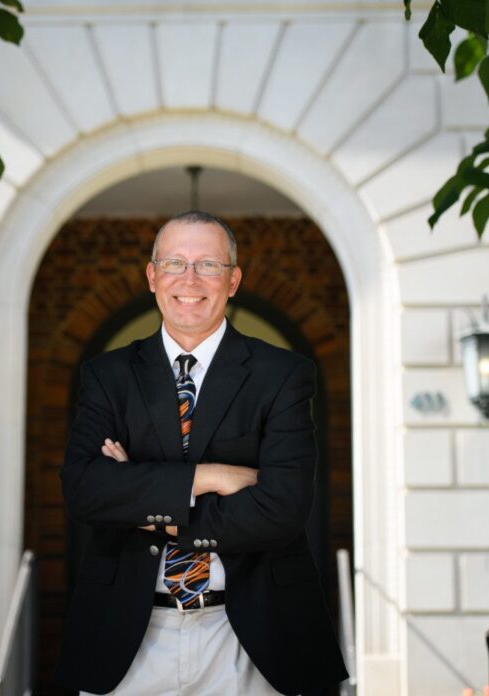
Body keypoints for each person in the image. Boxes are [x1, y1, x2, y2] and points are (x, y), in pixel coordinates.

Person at [56, 210, 348, 695]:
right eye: (174, 263)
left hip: (251, 636)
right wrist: (210, 476)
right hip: (127, 636)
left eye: (208, 265)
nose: (189, 279)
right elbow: (85, 491)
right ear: (152, 276)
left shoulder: (283, 374)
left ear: (233, 281)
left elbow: (283, 508)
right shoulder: (108, 376)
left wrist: (143, 495)